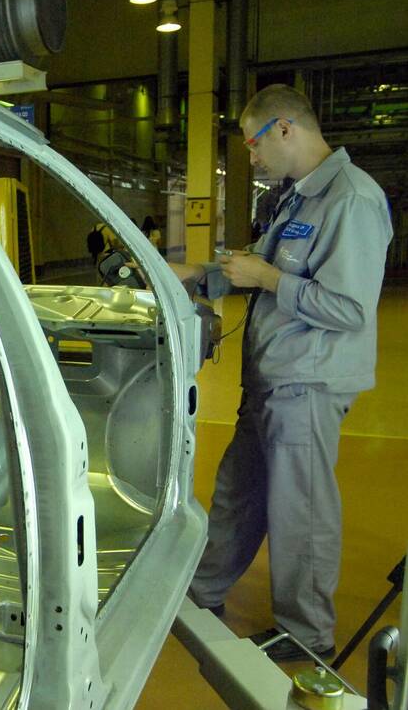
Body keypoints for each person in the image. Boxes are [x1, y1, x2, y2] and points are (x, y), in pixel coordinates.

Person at [170, 84, 393, 662]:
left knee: (301, 511)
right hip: (272, 377)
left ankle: (307, 635)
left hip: (308, 382)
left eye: (253, 144)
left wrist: (267, 279)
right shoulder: (297, 198)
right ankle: (202, 592)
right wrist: (200, 273)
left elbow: (349, 308)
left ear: (285, 129)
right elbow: (259, 264)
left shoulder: (351, 200)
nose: (251, 158)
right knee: (238, 492)